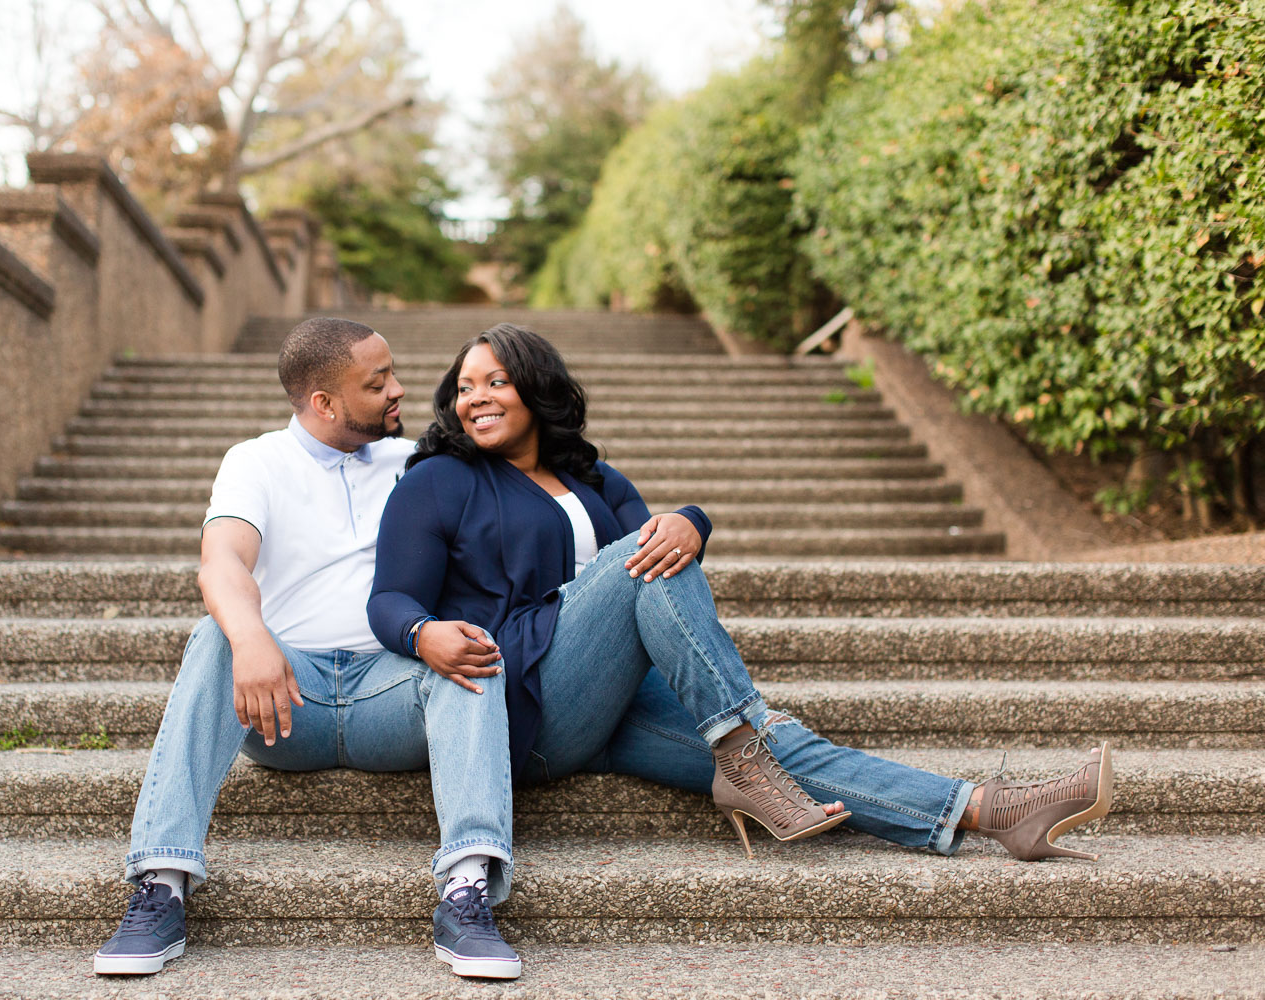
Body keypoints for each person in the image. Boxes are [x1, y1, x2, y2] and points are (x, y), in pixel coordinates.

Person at [368, 323, 1114, 868]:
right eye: (464, 387)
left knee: (783, 743)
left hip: (612, 702)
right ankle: (739, 743)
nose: (475, 399)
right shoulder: (438, 481)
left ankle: (991, 811)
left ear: (537, 388)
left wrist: (694, 523)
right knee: (656, 553)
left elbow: (664, 578)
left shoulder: (597, 483)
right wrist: (423, 635)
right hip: (520, 701)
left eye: (495, 381)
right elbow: (391, 599)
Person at [94, 318, 522, 980]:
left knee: (471, 648)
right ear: (323, 402)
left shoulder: (417, 463)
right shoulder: (256, 460)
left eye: (393, 376)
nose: (399, 390)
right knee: (213, 635)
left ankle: (466, 892)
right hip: (284, 703)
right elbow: (222, 563)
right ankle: (160, 884)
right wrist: (252, 637)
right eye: (377, 383)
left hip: (391, 693)